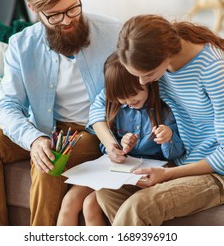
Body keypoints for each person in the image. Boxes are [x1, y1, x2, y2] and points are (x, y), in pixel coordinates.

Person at [0, 0, 121, 226]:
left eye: (73, 8)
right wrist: (34, 139)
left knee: (50, 161)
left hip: (94, 132)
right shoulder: (22, 44)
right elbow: (8, 105)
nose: (68, 20)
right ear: (34, 9)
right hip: (45, 128)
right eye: (55, 16)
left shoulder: (114, 34)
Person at [90, 14, 224, 226]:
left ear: (164, 55)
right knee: (107, 193)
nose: (142, 82)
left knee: (139, 206)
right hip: (184, 162)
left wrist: (167, 174)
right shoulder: (160, 65)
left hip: (223, 173)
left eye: (146, 75)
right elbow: (104, 102)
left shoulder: (213, 68)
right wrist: (111, 144)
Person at [57, 52, 184, 226]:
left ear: (146, 82)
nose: (128, 101)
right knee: (70, 201)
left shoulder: (164, 109)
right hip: (120, 169)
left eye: (133, 94)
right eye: (121, 98)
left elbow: (175, 153)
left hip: (152, 170)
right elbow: (101, 126)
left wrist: (167, 136)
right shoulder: (117, 105)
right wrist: (118, 146)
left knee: (90, 204)